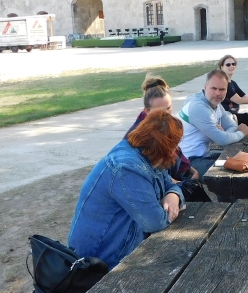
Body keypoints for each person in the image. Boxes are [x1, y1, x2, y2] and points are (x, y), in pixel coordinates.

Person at [69, 110, 185, 270]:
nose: (176, 150)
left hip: (126, 247)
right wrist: (171, 205)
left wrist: (173, 195)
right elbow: (154, 222)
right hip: (101, 261)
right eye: (174, 145)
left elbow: (170, 185)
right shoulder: (127, 168)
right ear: (165, 147)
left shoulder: (148, 154)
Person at [179, 69, 248, 177]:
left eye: (222, 89)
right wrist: (241, 133)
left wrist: (224, 134)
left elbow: (231, 126)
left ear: (226, 90)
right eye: (214, 88)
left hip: (204, 155)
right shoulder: (198, 107)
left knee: (244, 159)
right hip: (188, 162)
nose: (217, 93)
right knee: (233, 173)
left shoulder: (215, 104)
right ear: (205, 87)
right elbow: (223, 140)